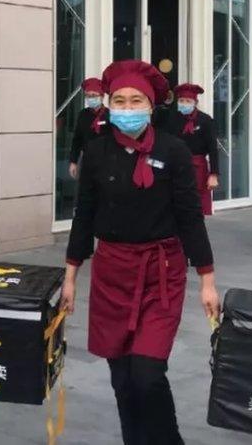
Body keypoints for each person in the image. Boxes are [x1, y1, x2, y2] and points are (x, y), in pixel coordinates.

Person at [60, 60, 220, 445]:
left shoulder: (174, 151)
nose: (127, 108)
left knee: (147, 373)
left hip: (160, 273)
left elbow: (190, 218)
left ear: (150, 106)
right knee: (122, 377)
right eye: (119, 100)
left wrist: (207, 281)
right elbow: (83, 217)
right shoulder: (96, 153)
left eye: (136, 101)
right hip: (112, 271)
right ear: (109, 105)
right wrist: (70, 277)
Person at [159, 83, 219, 215]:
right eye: (181, 101)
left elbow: (213, 148)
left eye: (188, 101)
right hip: (175, 165)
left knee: (196, 206)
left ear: (195, 102)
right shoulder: (172, 118)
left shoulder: (205, 120)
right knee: (175, 202)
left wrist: (214, 174)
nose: (184, 103)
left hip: (197, 166)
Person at [68, 77, 110, 179]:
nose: (91, 98)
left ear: (102, 96)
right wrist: (73, 161)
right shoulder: (83, 114)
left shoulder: (110, 115)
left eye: (94, 95)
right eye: (88, 96)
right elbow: (77, 140)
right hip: (87, 159)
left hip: (107, 160)